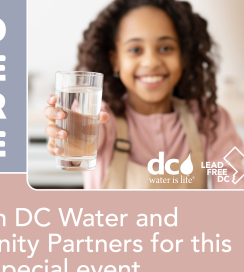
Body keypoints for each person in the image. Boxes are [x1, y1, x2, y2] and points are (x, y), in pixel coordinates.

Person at [43, 0, 244, 189]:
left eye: (165, 48)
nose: (151, 62)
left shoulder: (211, 120)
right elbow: (79, 149)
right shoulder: (104, 118)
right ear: (115, 60)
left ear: (183, 55)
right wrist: (68, 136)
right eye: (135, 49)